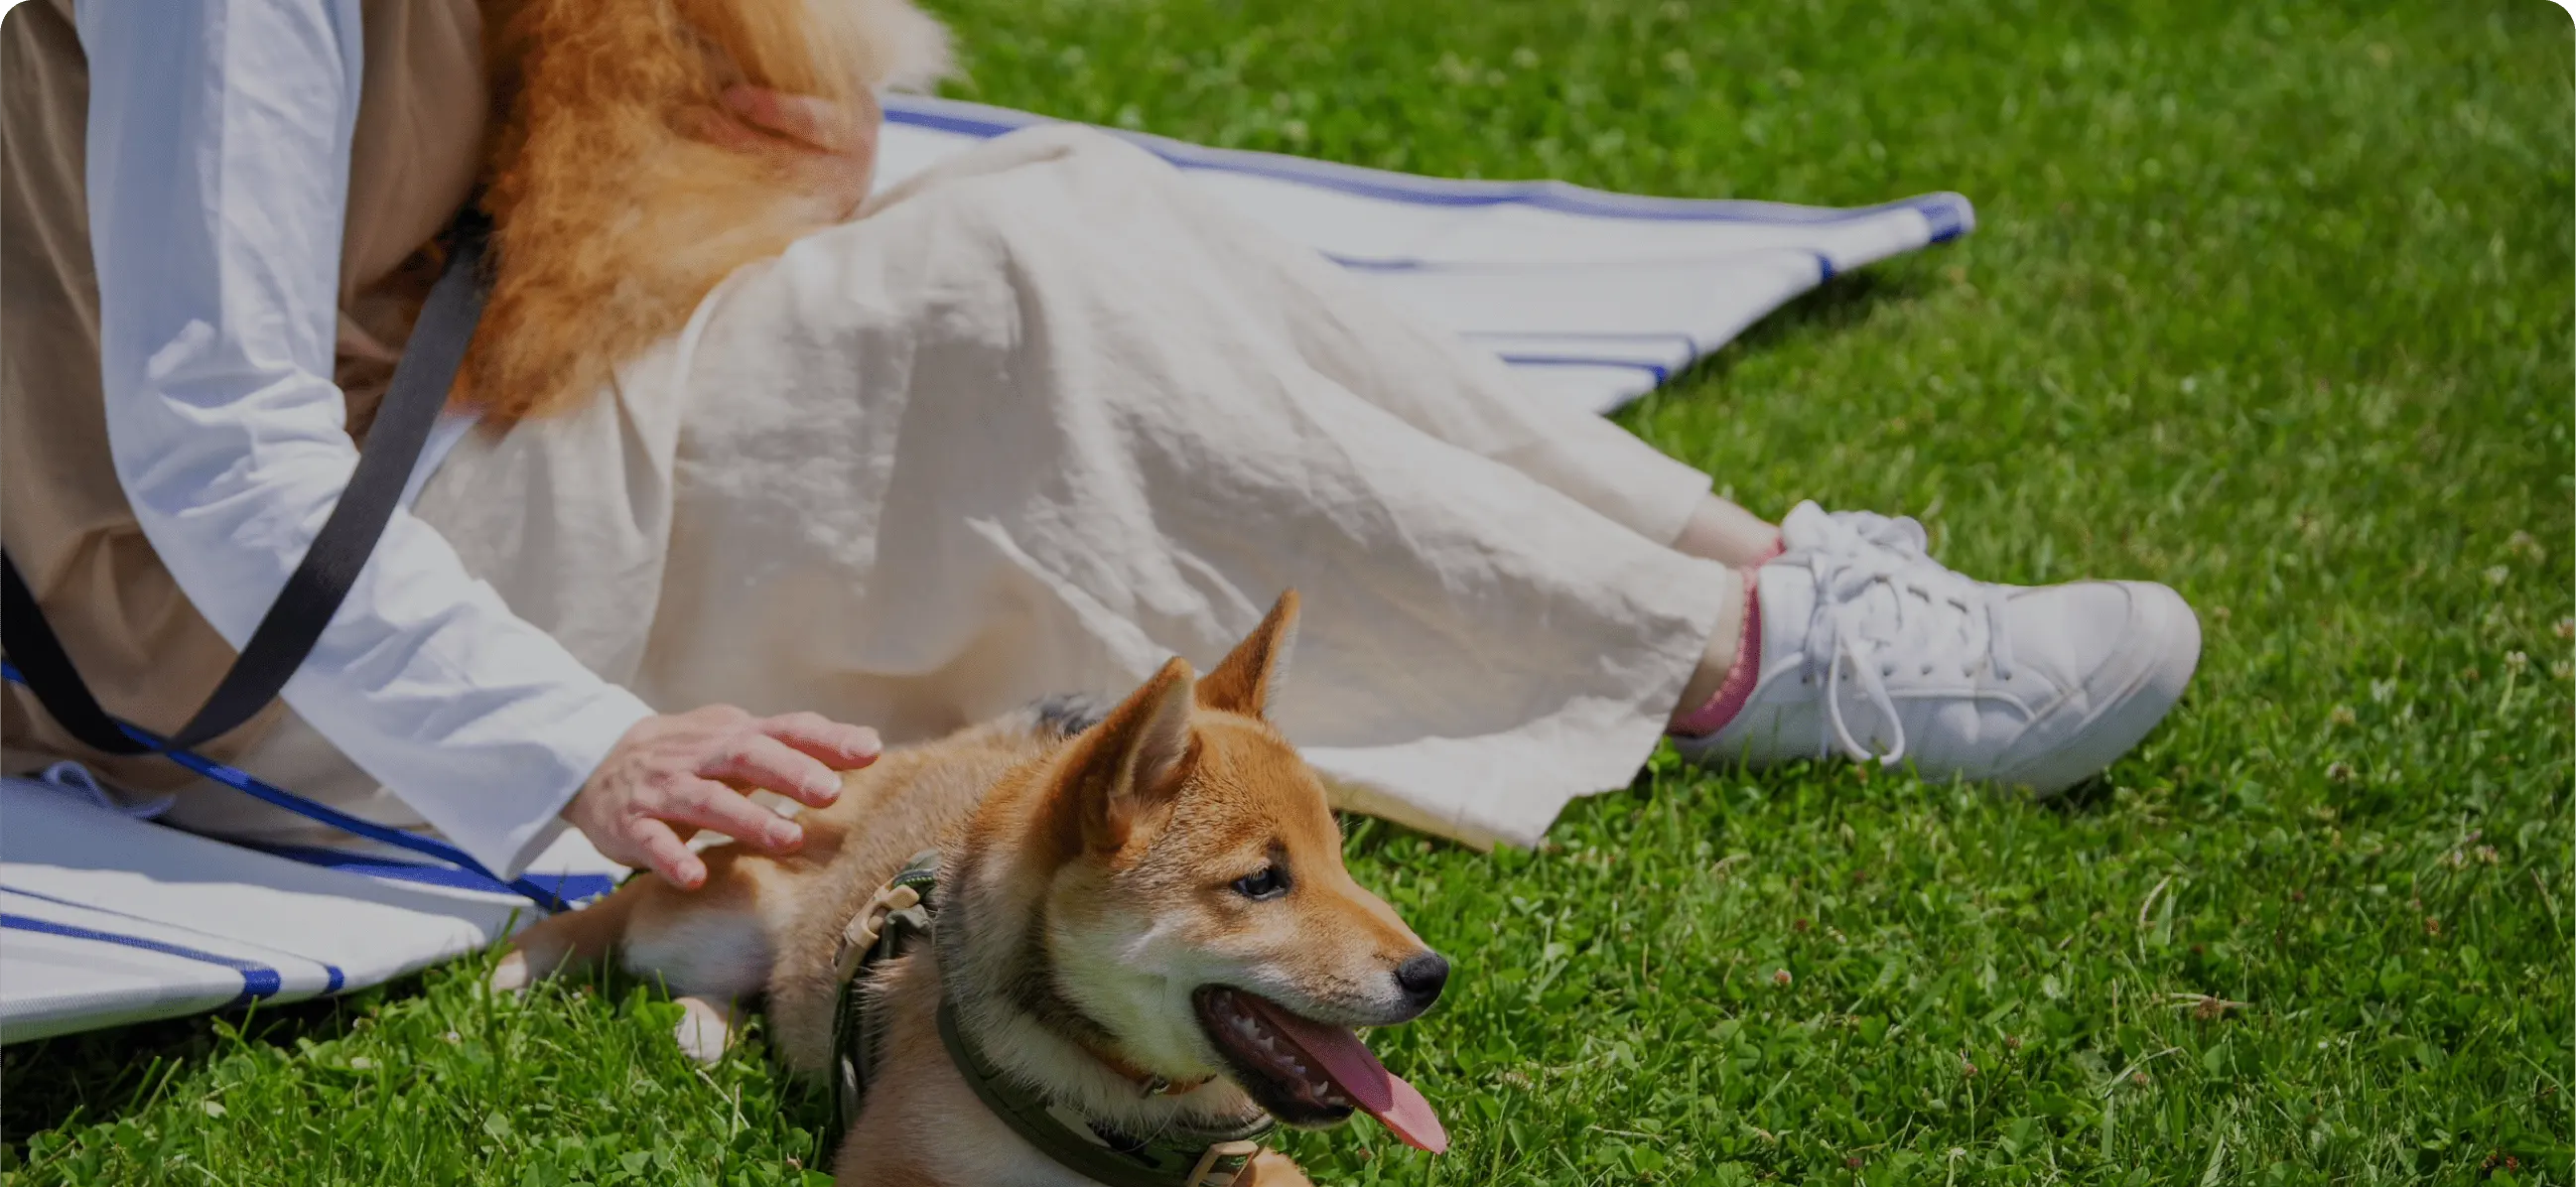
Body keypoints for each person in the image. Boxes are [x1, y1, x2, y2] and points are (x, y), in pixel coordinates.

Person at [0, 0, 2198, 895]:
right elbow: (203, 429)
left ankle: (1757, 576)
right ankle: (1744, 663)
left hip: (421, 423)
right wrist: (574, 745)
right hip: (238, 619)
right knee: (1007, 313)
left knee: (1069, 205)